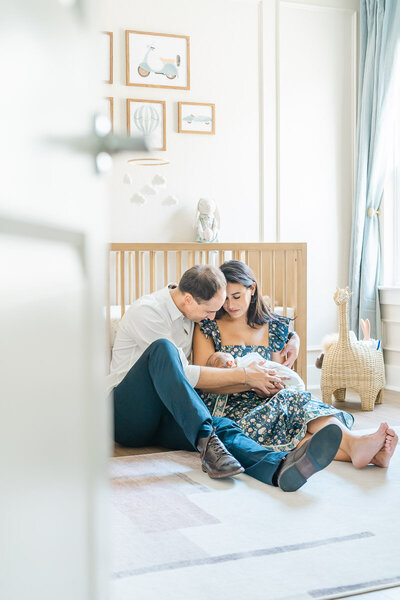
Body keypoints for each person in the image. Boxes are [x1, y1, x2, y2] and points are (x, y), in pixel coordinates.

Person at [109, 264, 343, 492]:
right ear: (188, 300)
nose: (212, 317)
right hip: (128, 415)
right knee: (163, 349)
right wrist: (244, 376)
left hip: (167, 413)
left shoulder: (191, 309)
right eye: (210, 311)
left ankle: (278, 467)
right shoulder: (149, 312)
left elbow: (268, 322)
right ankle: (206, 437)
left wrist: (294, 338)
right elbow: (184, 373)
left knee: (222, 427)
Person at [193, 260, 398, 469]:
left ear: (252, 289)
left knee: (293, 409)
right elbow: (203, 382)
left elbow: (278, 375)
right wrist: (248, 380)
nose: (230, 305)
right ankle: (359, 446)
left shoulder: (273, 327)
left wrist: (270, 386)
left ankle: (364, 451)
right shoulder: (208, 327)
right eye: (224, 299)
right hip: (229, 408)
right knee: (291, 415)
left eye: (236, 296)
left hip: (267, 401)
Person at [206, 350, 305, 391]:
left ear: (230, 363)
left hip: (281, 378)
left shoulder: (244, 362)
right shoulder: (208, 327)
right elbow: (207, 385)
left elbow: (260, 362)